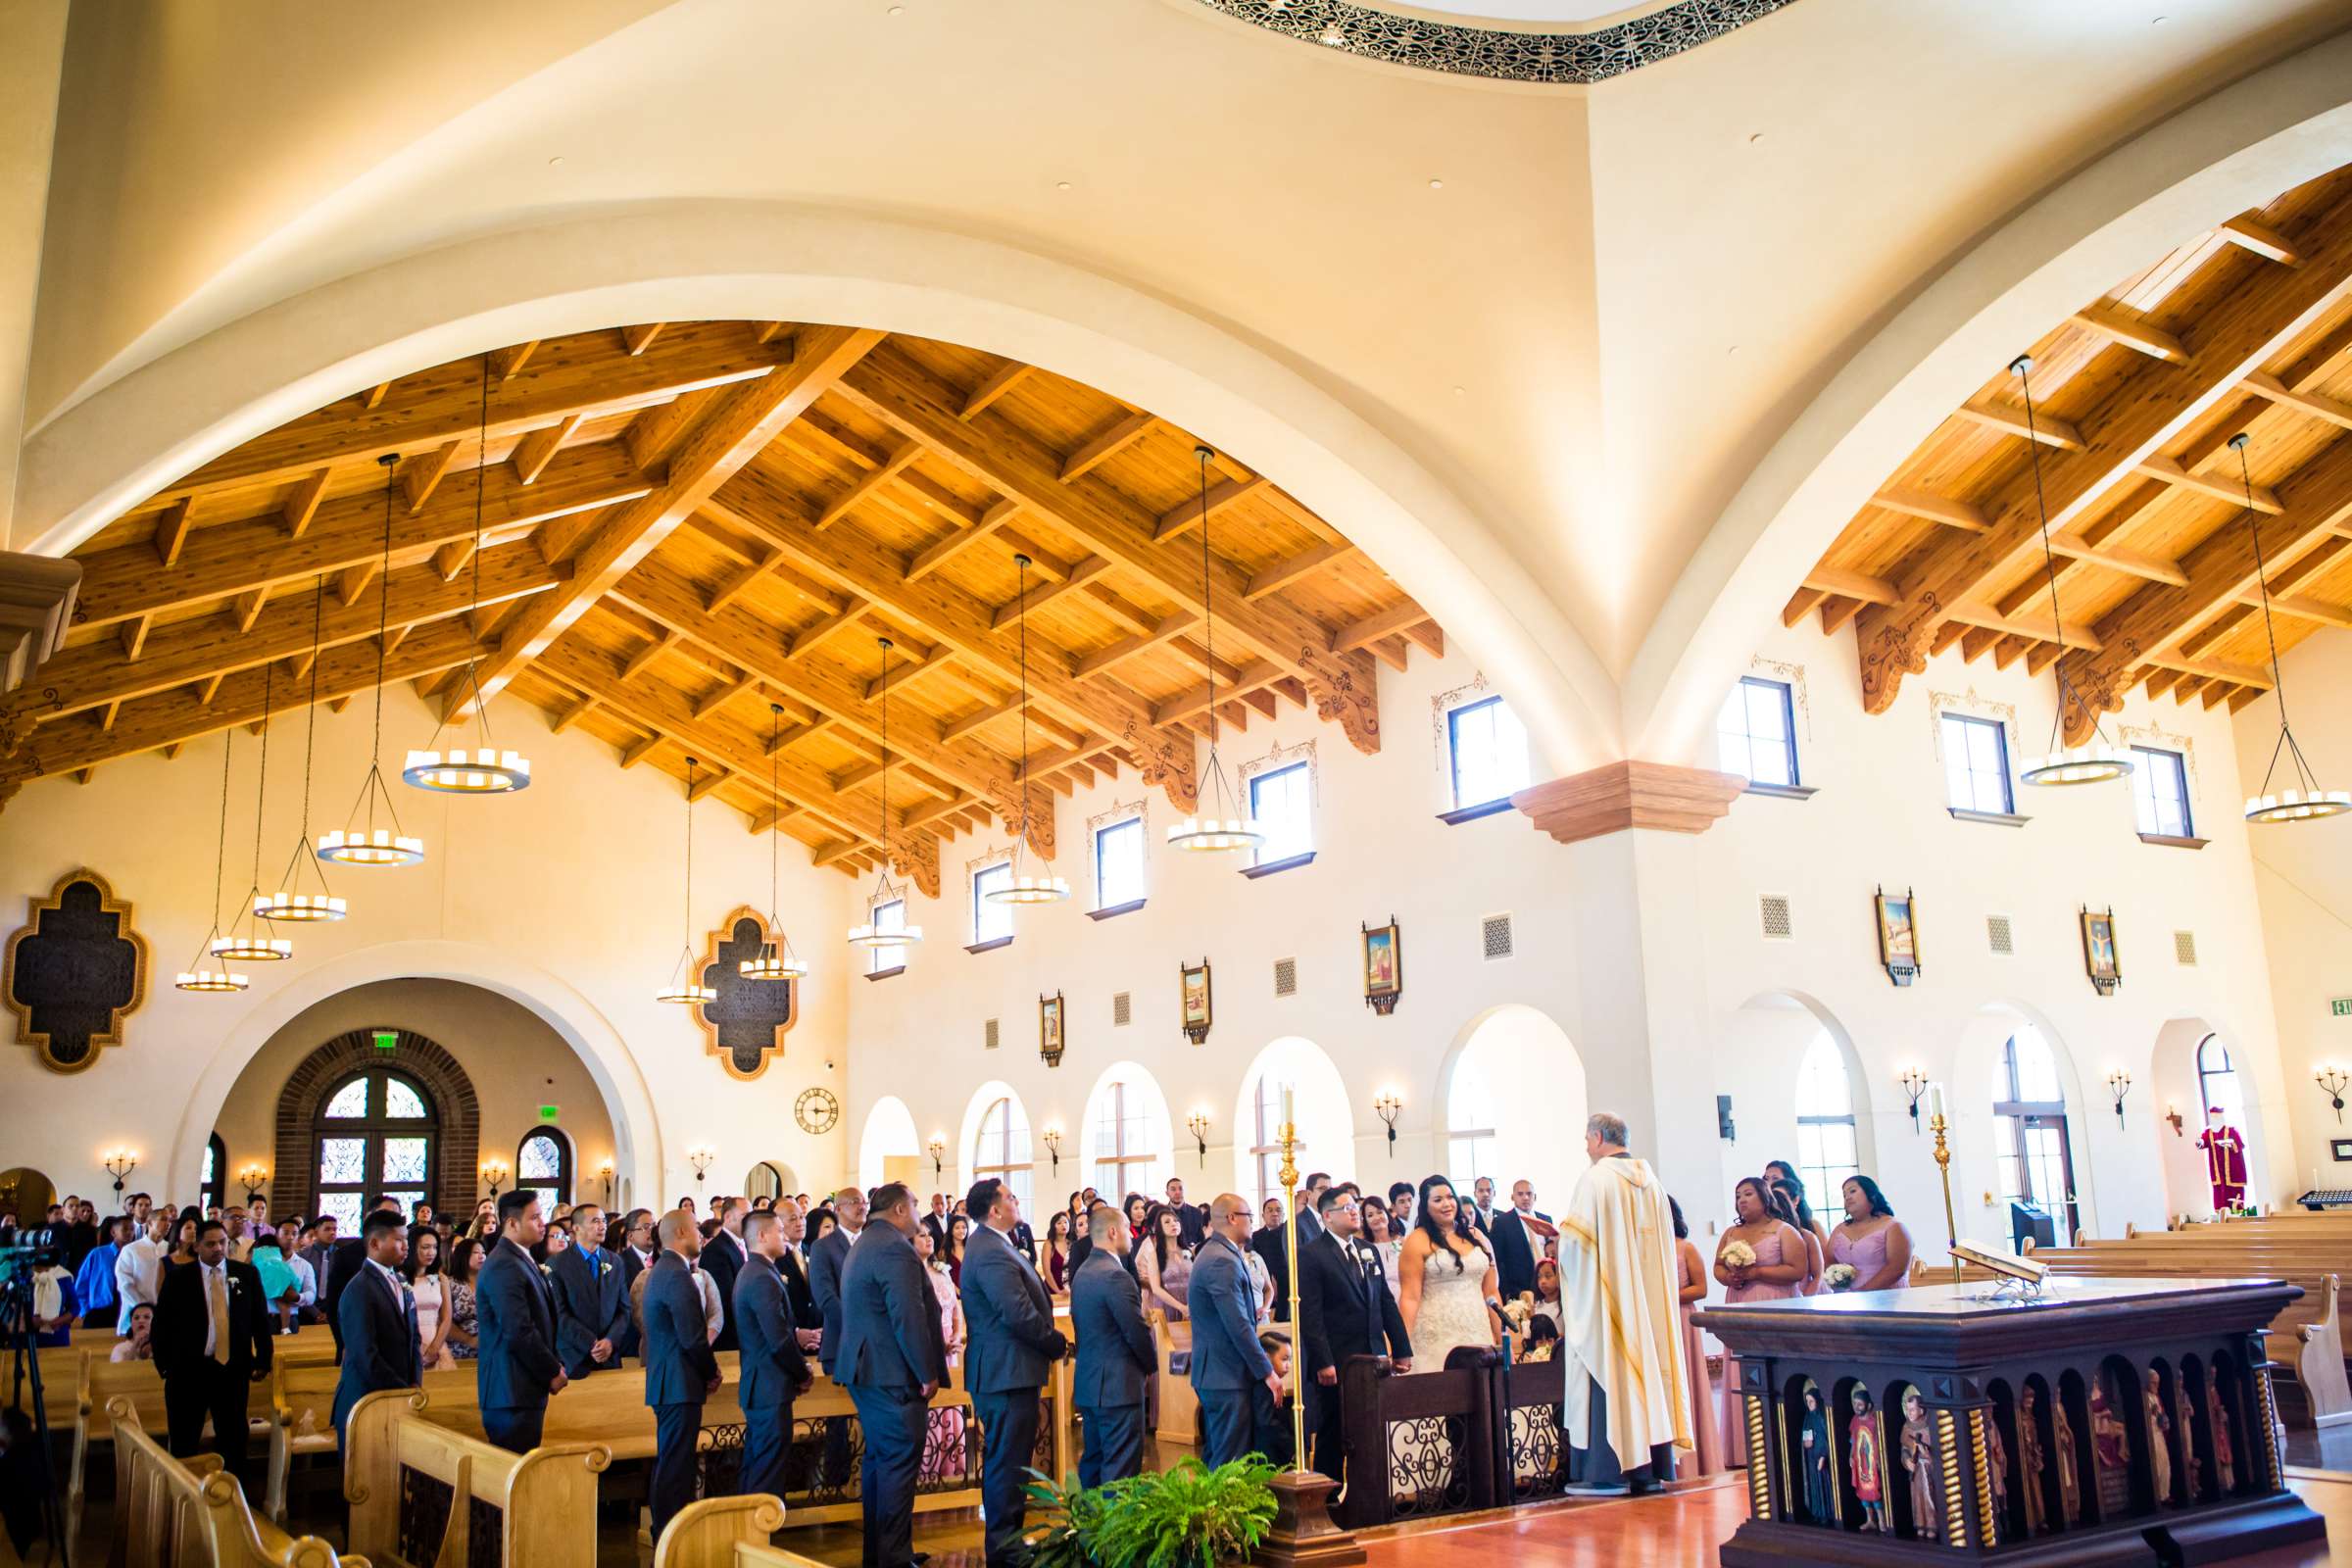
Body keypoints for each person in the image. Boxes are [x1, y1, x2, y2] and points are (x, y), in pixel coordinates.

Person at [1556, 1112, 1689, 1498]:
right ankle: (1648, 1471)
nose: (1585, 1147)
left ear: (1598, 1138)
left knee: (1611, 1375)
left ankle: (1606, 1470)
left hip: (1610, 1306)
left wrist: (1558, 1238)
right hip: (1647, 1307)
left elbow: (1578, 1245)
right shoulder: (1653, 1184)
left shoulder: (1596, 1179)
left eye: (1586, 1139)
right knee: (1646, 1375)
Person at [836, 1184, 946, 1568]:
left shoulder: (868, 1242)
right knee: (898, 1465)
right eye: (916, 1204)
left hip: (870, 1369)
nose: (919, 1212)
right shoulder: (893, 1248)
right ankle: (894, 1559)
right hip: (891, 1373)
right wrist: (925, 1370)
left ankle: (882, 1553)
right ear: (900, 1209)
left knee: (882, 1464)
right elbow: (907, 1315)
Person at [958, 1177, 1067, 1565]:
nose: (1016, 1202)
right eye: (1010, 1197)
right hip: (1004, 1372)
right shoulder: (988, 1249)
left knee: (1013, 1460)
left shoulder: (999, 1244)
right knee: (1007, 1462)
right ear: (994, 1209)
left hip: (1012, 1370)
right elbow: (1016, 1312)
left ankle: (1011, 1542)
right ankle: (1004, 1548)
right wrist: (1056, 1343)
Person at [1298, 1185, 1411, 1486]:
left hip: (1372, 1354)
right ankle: (1329, 1496)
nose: (1354, 1212)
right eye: (1346, 1208)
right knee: (1333, 1428)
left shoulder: (1367, 1250)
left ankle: (1369, 1489)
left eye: (1354, 1207)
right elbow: (1310, 1315)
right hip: (1337, 1359)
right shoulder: (1311, 1255)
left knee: (1369, 1425)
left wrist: (1401, 1348)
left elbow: (1385, 1302)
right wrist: (1323, 1361)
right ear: (1327, 1216)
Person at [152, 1218, 272, 1493]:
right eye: (210, 1244)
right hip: (189, 1370)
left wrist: (263, 1358)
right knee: (185, 1438)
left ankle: (230, 1495)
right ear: (196, 1247)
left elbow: (260, 1320)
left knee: (233, 1438)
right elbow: (162, 1325)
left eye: (222, 1242)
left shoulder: (246, 1274)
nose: (218, 1249)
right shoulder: (179, 1277)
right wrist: (165, 1366)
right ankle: (183, 1495)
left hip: (231, 1369)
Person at [642, 1210, 721, 1544]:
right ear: (681, 1233)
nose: (701, 1236)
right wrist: (711, 1371)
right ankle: (670, 1537)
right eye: (697, 1230)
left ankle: (667, 1532)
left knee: (673, 1460)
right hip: (678, 1382)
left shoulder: (665, 1270)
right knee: (676, 1465)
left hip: (669, 1380)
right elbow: (692, 1336)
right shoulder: (676, 1275)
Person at [1188, 1193, 1281, 1467]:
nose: (1252, 1223)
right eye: (1249, 1216)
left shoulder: (1222, 1252)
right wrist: (1267, 1371)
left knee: (1219, 1453)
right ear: (1231, 1218)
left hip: (1221, 1372)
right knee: (1230, 1459)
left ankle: (1210, 1510)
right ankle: (1223, 1511)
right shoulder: (1221, 1259)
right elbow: (1238, 1324)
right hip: (1224, 1374)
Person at [1714, 1177, 1804, 1461]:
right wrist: (1729, 1277)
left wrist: (1757, 1273)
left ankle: (1781, 1444)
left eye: (1748, 1194)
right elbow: (1717, 1266)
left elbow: (1797, 1270)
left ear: (1765, 1197)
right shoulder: (1731, 1233)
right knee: (1742, 1370)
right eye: (1738, 1195)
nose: (1741, 1200)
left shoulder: (1783, 1231)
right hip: (1740, 1303)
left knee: (1773, 1370)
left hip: (1774, 1303)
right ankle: (1742, 1449)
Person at [475, 1190, 566, 1452]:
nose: (543, 1223)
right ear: (512, 1223)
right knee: (513, 1476)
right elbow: (518, 1330)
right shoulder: (504, 1264)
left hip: (521, 1389)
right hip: (511, 1391)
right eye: (535, 1217)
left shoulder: (521, 1259)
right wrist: (551, 1370)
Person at [1071, 1204, 1154, 1487]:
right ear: (1112, 1232)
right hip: (1119, 1387)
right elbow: (1135, 1329)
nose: (1132, 1236)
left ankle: (1090, 1528)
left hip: (1090, 1383)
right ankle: (1115, 1530)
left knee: (1093, 1464)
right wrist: (1151, 1366)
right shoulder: (1116, 1275)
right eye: (1127, 1230)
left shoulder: (1083, 1271)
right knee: (1121, 1471)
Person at [733, 1207, 813, 1501]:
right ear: (762, 1235)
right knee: (766, 1466)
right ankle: (757, 1534)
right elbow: (778, 1338)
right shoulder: (760, 1276)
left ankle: (750, 1531)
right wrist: (802, 1371)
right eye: (779, 1231)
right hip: (768, 1385)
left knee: (761, 1461)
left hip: (766, 1385)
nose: (784, 1236)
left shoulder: (758, 1270)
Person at [332, 1210, 422, 1447]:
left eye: (407, 1240)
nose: (406, 1247)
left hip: (397, 1397)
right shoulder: (359, 1289)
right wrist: (401, 1391)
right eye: (399, 1240)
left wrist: (415, 1382)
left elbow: (414, 1337)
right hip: (365, 1399)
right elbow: (365, 1354)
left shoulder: (401, 1282)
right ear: (374, 1243)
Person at [1396, 1175, 1496, 1367]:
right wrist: (1402, 1347)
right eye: (1438, 1200)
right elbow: (1410, 1298)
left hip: (1477, 1328)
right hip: (1436, 1332)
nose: (1447, 1204)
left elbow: (1491, 1292)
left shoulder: (1476, 1236)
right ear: (1425, 1206)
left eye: (1450, 1197)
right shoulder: (1417, 1241)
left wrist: (1502, 1337)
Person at [1669, 1197, 1724, 1476]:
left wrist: (1668, 1296)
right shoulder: (1643, 1249)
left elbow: (1700, 1288)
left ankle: (1693, 1459)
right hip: (1657, 1320)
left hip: (1679, 1317)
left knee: (1686, 1382)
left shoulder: (1685, 1248)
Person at [548, 1201, 628, 1379]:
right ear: (576, 1228)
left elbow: (623, 1309)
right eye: (595, 1221)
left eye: (604, 1221)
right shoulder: (557, 1264)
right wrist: (592, 1343)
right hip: (574, 1355)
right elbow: (559, 1313)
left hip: (609, 1355)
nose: (602, 1226)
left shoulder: (614, 1261)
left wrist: (610, 1341)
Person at [325, 1195, 405, 1356]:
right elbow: (335, 1307)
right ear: (370, 1217)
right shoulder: (346, 1256)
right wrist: (344, 1344)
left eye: (396, 1215)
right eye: (385, 1214)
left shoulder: (404, 1255)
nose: (390, 1220)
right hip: (358, 1345)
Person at [1829, 1176, 1913, 1293]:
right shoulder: (1839, 1229)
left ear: (1871, 1193)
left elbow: (1896, 1268)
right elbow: (1828, 1262)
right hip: (1850, 1300)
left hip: (1889, 1297)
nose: (1848, 1197)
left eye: (1852, 1191)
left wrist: (1863, 1292)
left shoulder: (1893, 1226)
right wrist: (1840, 1285)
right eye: (1844, 1195)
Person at [1488, 1179, 1556, 1303]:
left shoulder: (1546, 1219)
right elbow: (1497, 1260)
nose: (1525, 1197)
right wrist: (1507, 1292)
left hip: (1548, 1288)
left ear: (1534, 1197)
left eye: (1529, 1194)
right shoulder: (1502, 1223)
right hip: (1519, 1290)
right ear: (1512, 1197)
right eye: (1520, 1194)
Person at [701, 1198, 750, 1352]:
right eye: (745, 1216)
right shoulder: (716, 1249)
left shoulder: (746, 1244)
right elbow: (724, 1298)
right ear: (728, 1217)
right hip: (731, 1336)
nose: (750, 1221)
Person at [403, 1225, 454, 1370]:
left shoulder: (440, 1278)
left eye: (435, 1247)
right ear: (413, 1248)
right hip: (410, 1341)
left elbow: (446, 1318)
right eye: (425, 1247)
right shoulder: (400, 1279)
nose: (431, 1252)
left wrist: (434, 1348)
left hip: (435, 1341)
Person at [116, 1210, 171, 1335]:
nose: (167, 1224)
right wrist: (145, 1308)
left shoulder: (170, 1249)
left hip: (164, 1315)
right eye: (163, 1219)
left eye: (169, 1221)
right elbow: (124, 1283)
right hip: (135, 1313)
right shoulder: (131, 1249)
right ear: (150, 1223)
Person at [1137, 1203, 1192, 1320]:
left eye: (1175, 1221)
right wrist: (1181, 1307)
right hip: (1167, 1306)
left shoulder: (1188, 1252)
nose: (1173, 1223)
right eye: (1167, 1222)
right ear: (1159, 1228)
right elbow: (1156, 1288)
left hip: (1190, 1305)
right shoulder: (1154, 1254)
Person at [75, 1214, 128, 1331]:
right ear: (113, 1232)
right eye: (125, 1229)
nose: (129, 1232)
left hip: (124, 1309)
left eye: (132, 1229)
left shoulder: (134, 1255)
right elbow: (81, 1284)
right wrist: (85, 1310)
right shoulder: (98, 1253)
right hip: (98, 1310)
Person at [1250, 1332, 1296, 1466]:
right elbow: (1266, 1422)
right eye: (1284, 1359)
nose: (1288, 1365)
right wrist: (1291, 1444)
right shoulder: (1263, 1386)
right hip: (1268, 1455)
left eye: (1290, 1360)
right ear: (1266, 1359)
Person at [444, 1236, 484, 1362]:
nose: (481, 1256)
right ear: (463, 1255)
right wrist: (469, 1340)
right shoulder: (450, 1284)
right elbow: (444, 1320)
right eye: (476, 1253)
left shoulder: (491, 1282)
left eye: (483, 1253)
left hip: (489, 1349)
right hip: (459, 1351)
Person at [26, 1255, 77, 1346]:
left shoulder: (63, 1277)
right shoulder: (24, 1276)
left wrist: (58, 1321)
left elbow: (75, 1307)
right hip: (28, 1337)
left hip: (57, 1336)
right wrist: (28, 1321)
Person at [1359, 1202, 1402, 1298]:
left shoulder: (1403, 1242)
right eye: (1370, 1215)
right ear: (1365, 1221)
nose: (1376, 1218)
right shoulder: (1364, 1249)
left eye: (1379, 1212)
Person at [1164, 1177, 1206, 1250]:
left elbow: (1201, 1239)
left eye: (1181, 1189)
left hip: (1193, 1255)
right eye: (1173, 1189)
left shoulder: (1196, 1212)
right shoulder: (1162, 1213)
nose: (1177, 1192)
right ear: (1167, 1193)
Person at [1043, 1210, 1074, 1298]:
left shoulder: (1072, 1244)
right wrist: (1058, 1291)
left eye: (1065, 1222)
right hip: (1052, 1291)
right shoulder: (1048, 1244)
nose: (1063, 1225)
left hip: (1069, 1290)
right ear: (1053, 1226)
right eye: (1059, 1223)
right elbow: (1047, 1271)